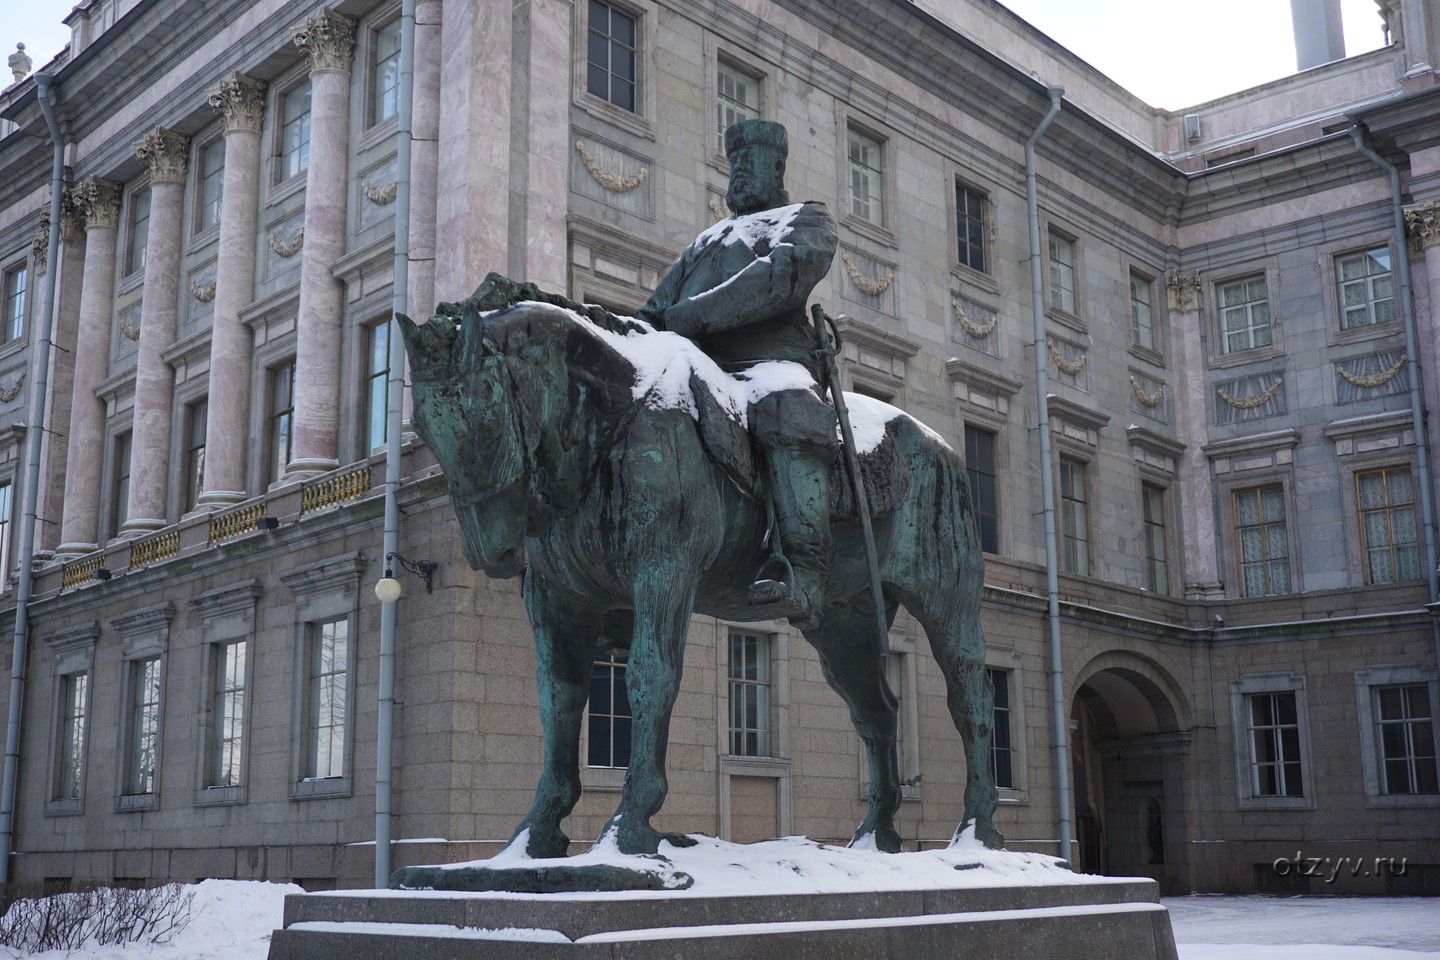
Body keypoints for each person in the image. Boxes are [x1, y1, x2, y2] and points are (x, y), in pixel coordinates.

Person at [636, 119, 838, 628]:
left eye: (749, 165)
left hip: (772, 363)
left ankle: (803, 566)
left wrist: (691, 316)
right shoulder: (706, 241)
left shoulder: (805, 219)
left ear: (777, 167)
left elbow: (780, 279)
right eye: (734, 165)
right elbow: (655, 310)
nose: (738, 175)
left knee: (787, 411)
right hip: (700, 369)